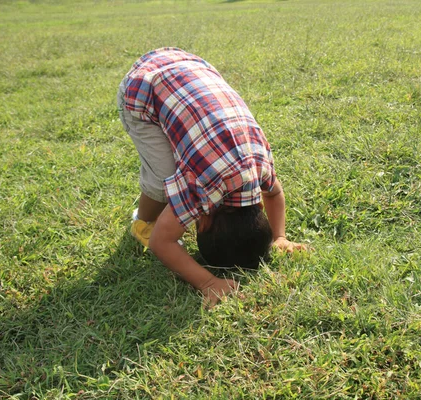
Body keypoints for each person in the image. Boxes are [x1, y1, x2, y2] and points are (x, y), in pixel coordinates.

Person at [117, 48, 307, 307]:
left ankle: (147, 215)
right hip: (141, 89)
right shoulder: (202, 189)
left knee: (175, 169)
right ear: (202, 223)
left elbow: (274, 193)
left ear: (257, 206)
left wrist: (280, 236)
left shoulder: (258, 168)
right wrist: (207, 282)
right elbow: (162, 241)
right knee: (163, 179)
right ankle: (143, 220)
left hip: (192, 68)